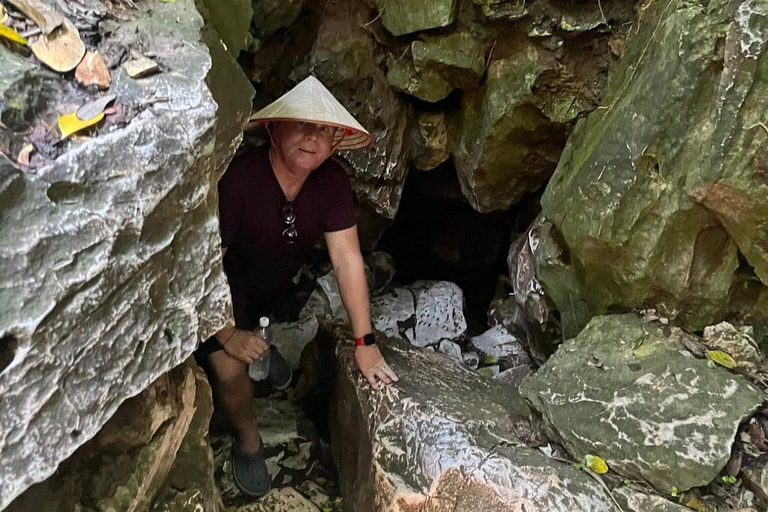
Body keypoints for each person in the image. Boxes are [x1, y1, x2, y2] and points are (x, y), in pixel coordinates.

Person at [195, 75, 399, 498]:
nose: (312, 137)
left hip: (268, 295)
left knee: (261, 338)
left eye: (324, 129)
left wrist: (365, 342)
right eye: (302, 125)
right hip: (217, 300)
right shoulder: (240, 179)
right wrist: (227, 334)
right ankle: (248, 438)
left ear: (335, 141)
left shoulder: (331, 184)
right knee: (231, 371)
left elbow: (346, 259)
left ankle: (265, 359)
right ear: (274, 129)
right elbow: (203, 266)